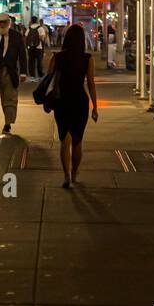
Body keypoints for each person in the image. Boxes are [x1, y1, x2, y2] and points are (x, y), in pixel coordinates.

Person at [48, 23, 98, 188]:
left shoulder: (57, 57)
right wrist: (95, 107)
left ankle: (66, 176)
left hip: (62, 101)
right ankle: (75, 173)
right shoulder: (87, 59)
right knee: (77, 140)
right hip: (80, 101)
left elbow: (48, 79)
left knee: (65, 139)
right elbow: (90, 83)